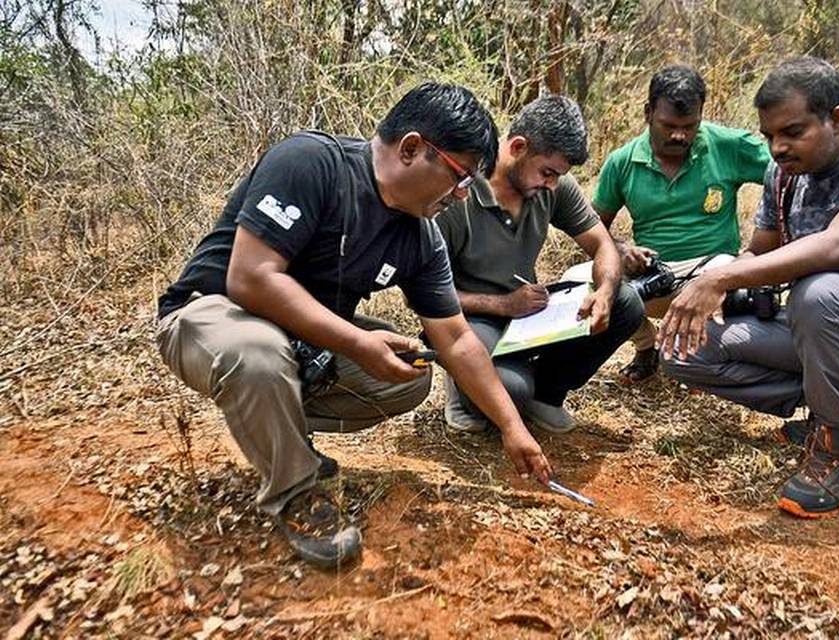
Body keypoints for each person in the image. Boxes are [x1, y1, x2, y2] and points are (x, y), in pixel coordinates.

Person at [155, 83, 553, 568]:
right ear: (411, 148)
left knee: (410, 376)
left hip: (295, 339)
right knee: (257, 356)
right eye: (460, 177)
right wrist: (358, 342)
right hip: (212, 313)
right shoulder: (310, 163)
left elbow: (456, 338)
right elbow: (251, 278)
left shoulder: (421, 236)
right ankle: (297, 493)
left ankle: (277, 433)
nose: (462, 196)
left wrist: (512, 427)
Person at [659, 57, 839, 518]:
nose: (778, 147)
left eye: (792, 132)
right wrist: (724, 287)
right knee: (682, 351)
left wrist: (721, 277)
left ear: (836, 118)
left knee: (822, 292)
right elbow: (759, 251)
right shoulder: (782, 176)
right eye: (769, 136)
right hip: (815, 327)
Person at [436, 95, 645, 433]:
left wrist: (605, 291)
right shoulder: (458, 193)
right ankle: (467, 385)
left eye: (558, 176)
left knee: (626, 303)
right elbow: (425, 294)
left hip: (528, 314)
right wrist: (502, 304)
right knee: (511, 390)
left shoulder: (554, 184)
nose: (552, 185)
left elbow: (602, 244)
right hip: (470, 319)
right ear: (518, 146)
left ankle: (545, 394)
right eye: (547, 173)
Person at [584, 64, 771, 382]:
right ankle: (646, 346)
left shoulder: (729, 146)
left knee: (732, 273)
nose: (679, 135)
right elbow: (591, 231)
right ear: (647, 113)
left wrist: (773, 233)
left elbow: (790, 174)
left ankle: (710, 355)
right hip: (651, 278)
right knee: (576, 284)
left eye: (689, 125)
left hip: (713, 275)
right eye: (668, 125)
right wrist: (621, 249)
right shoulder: (622, 162)